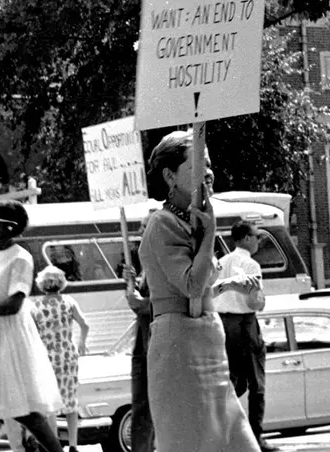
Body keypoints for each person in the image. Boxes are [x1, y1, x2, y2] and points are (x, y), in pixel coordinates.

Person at [139, 130, 258, 452]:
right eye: (196, 164)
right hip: (179, 347)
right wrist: (210, 234)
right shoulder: (163, 223)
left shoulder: (194, 221)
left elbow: (206, 287)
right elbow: (191, 284)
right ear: (170, 176)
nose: (207, 172)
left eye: (208, 163)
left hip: (210, 343)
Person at [0, 200, 64, 452]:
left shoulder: (21, 258)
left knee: (23, 411)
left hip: (10, 338)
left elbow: (13, 304)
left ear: (10, 227)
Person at [212, 221, 274, 452]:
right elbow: (254, 301)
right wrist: (260, 301)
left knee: (232, 381)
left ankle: (227, 434)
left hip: (224, 324)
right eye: (257, 236)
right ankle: (256, 438)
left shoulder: (221, 263)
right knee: (257, 382)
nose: (258, 241)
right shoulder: (251, 265)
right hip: (245, 323)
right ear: (246, 238)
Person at [31, 264, 90, 452]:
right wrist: (82, 342)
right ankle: (73, 445)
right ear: (61, 283)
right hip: (67, 355)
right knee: (70, 402)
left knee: (50, 405)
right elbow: (85, 324)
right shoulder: (68, 302)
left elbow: (32, 335)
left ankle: (53, 445)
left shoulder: (37, 307)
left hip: (47, 358)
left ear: (42, 284)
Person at [122, 255, 154, 452]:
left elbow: (173, 300)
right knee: (141, 406)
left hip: (159, 339)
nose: (141, 231)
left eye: (145, 226)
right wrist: (130, 284)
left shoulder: (167, 259)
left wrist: (140, 302)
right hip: (143, 342)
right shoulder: (147, 266)